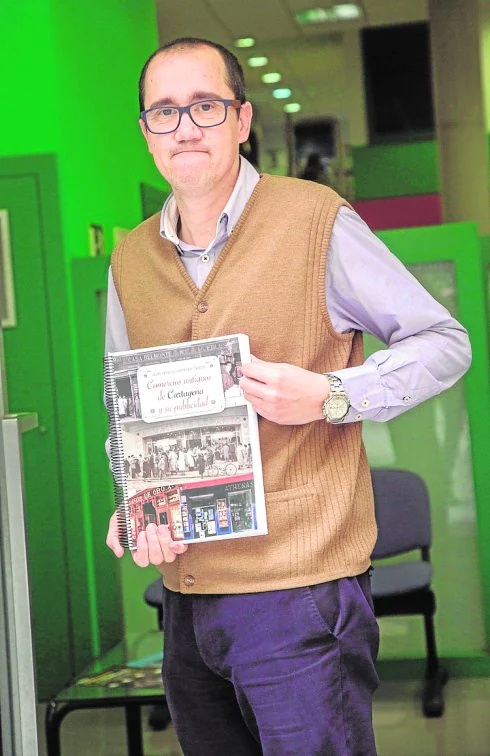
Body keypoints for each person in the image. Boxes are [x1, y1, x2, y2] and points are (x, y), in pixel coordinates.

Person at [104, 37, 471, 755]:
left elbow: (443, 342)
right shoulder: (129, 259)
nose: (184, 126)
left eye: (205, 107)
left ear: (241, 120)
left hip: (299, 597)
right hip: (186, 604)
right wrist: (133, 496)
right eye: (164, 111)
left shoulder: (316, 220)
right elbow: (127, 412)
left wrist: (333, 394)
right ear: (145, 132)